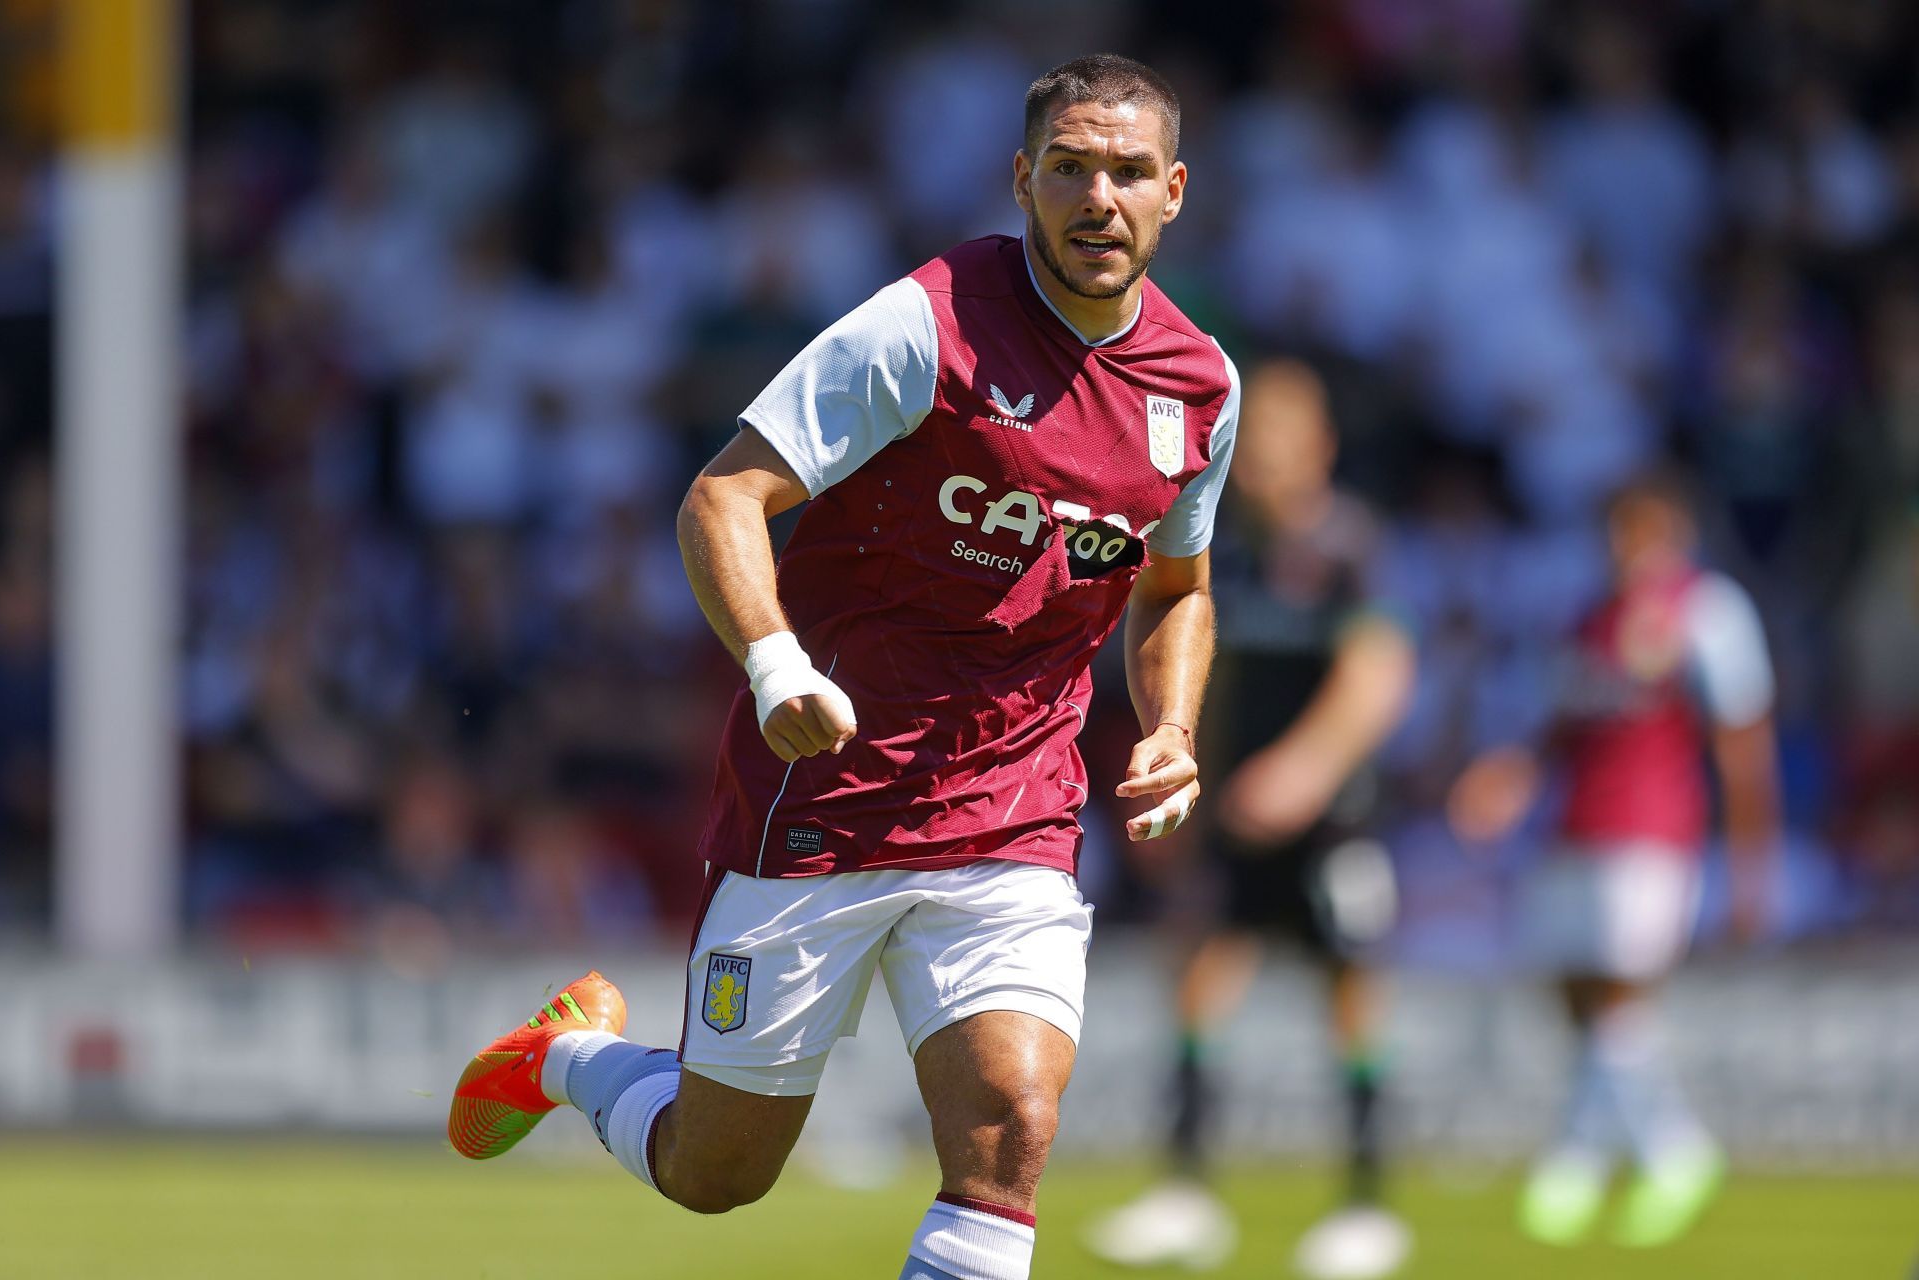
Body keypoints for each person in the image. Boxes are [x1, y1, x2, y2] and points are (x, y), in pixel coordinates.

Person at [448, 54, 1241, 1280]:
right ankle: (567, 1055)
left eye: (1129, 172)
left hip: (1017, 813)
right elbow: (723, 496)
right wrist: (773, 667)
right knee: (718, 1173)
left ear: (1175, 189)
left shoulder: (1200, 387)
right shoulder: (925, 323)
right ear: (1022, 178)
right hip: (829, 794)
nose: (1101, 197)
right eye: (1072, 168)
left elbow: (1177, 586)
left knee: (1011, 1128)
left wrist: (1173, 725)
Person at [1083, 361, 1417, 1278]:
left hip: (1331, 821)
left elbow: (1379, 671)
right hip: (1236, 816)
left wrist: (1306, 772)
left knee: (1351, 997)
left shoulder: (1349, 546)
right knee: (1196, 980)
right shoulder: (1220, 552)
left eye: (1281, 437)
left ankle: (1365, 1205)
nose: (1263, 454)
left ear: (1321, 447)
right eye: (1253, 436)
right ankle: (1187, 1194)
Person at [1449, 471, 1780, 1249]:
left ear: (1674, 537)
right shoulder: (1589, 620)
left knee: (1622, 995)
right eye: (1618, 534)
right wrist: (1513, 776)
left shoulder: (1708, 612)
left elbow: (1742, 743)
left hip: (1656, 829)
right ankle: (1596, 1150)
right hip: (1578, 826)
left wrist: (1749, 864)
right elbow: (1564, 726)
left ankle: (1663, 1153)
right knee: (1575, 993)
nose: (1627, 550)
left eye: (1642, 534)